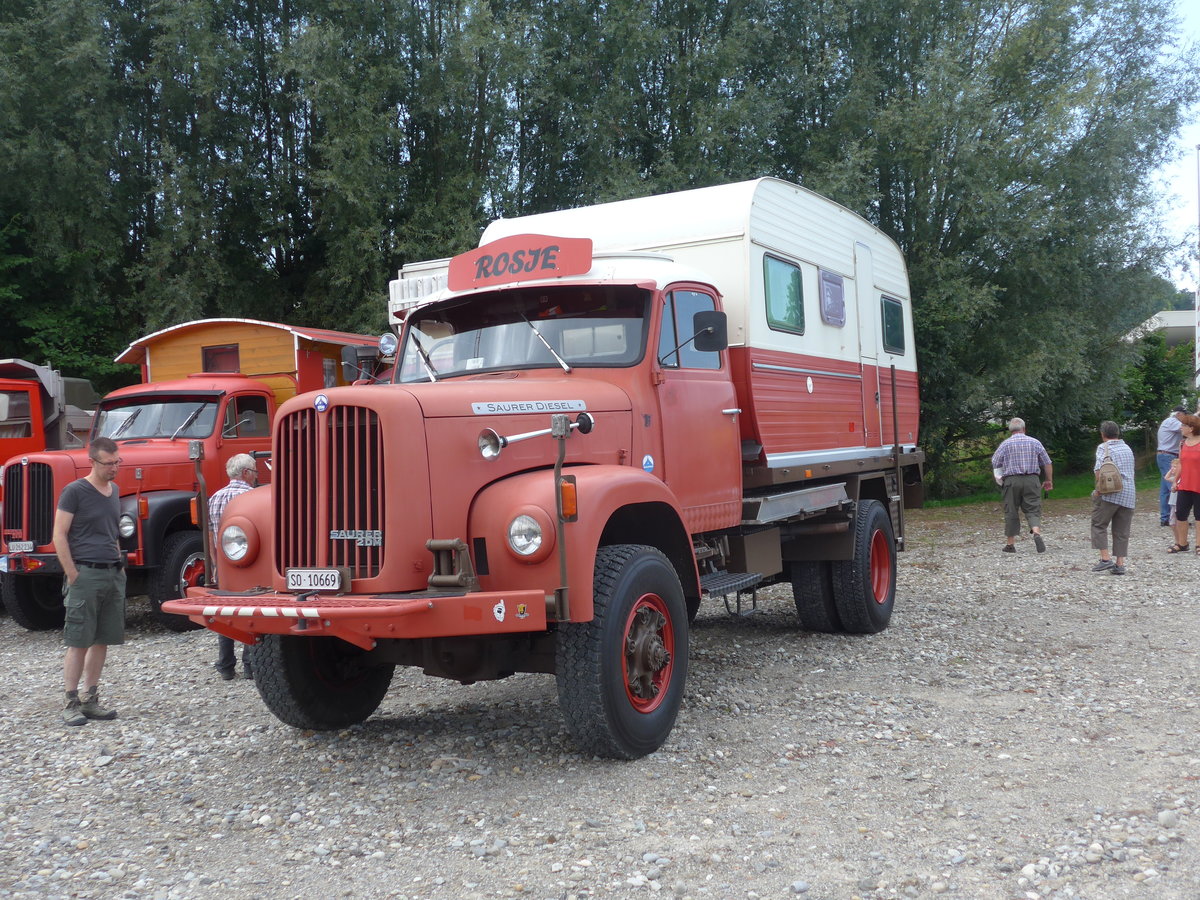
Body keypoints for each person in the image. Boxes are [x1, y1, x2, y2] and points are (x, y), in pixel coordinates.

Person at [53, 436, 125, 726]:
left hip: (111, 572)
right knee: (78, 640)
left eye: (117, 462)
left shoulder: (115, 490)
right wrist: (73, 574)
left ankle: (90, 698)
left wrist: (120, 566)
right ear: (92, 461)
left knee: (102, 639)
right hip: (85, 573)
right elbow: (59, 534)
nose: (114, 468)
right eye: (109, 464)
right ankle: (70, 701)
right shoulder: (74, 492)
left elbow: (113, 533)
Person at [209, 453, 259, 680]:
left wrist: (216, 563)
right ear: (246, 473)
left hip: (224, 564)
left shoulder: (215, 498)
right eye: (256, 471)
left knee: (224, 614)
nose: (258, 476)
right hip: (251, 565)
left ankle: (226, 665)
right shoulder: (253, 497)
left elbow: (211, 535)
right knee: (253, 613)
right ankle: (250, 665)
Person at [990, 417, 1053, 553]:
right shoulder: (1035, 442)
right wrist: (1048, 480)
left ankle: (1010, 544)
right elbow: (1047, 462)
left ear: (1010, 430)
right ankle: (1036, 532)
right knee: (1033, 507)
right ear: (1024, 429)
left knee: (1011, 509)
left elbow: (995, 462)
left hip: (1011, 481)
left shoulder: (1005, 444)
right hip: (1032, 479)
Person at [1091, 421, 1136, 575]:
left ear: (1103, 434)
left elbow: (1099, 471)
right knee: (1122, 530)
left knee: (1099, 524)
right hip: (1129, 493)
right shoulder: (1127, 448)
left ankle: (1105, 559)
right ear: (1118, 433)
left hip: (1110, 493)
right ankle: (1120, 564)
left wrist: (1098, 490)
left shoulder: (1104, 448)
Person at [1170, 414, 1200, 553]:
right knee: (1180, 513)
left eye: (1183, 425)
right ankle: (1182, 543)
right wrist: (1175, 481)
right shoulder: (1182, 443)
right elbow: (1181, 464)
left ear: (1191, 428)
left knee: (1199, 515)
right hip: (1185, 484)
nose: (1180, 428)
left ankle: (1199, 545)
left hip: (1198, 484)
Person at [1156, 404, 1187, 525]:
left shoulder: (1169, 421)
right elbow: (1188, 427)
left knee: (1165, 487)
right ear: (1179, 414)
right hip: (1168, 455)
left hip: (1165, 455)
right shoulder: (1172, 421)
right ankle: (1179, 517)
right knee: (1173, 485)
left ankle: (1165, 518)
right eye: (1184, 416)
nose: (1184, 419)